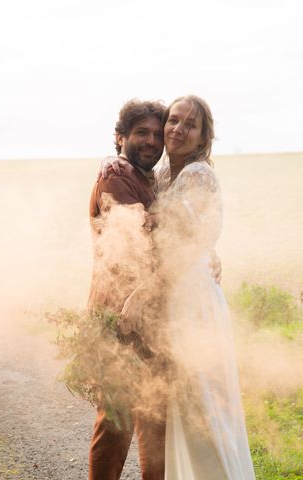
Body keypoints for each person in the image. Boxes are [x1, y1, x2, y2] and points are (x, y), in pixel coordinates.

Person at [108, 95, 255, 479]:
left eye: (190, 124)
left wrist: (143, 292)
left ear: (204, 136)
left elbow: (190, 245)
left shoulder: (198, 175)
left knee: (201, 405)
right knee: (176, 411)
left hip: (194, 304)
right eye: (173, 120)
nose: (177, 129)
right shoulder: (160, 176)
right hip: (171, 301)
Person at [87, 99, 167, 480]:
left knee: (155, 421)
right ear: (120, 137)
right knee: (117, 424)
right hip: (121, 314)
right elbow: (145, 242)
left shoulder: (145, 176)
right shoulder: (117, 178)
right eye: (141, 133)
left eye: (157, 134)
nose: (151, 141)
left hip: (151, 314)